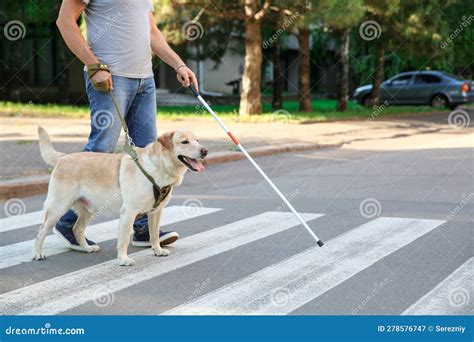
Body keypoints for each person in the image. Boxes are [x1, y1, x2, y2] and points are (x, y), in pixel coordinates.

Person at [54, 0, 198, 251]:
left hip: (145, 80)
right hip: (110, 77)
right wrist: (93, 64)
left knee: (148, 157)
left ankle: (142, 227)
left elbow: (151, 31)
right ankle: (69, 221)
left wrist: (179, 63)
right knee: (102, 147)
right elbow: (65, 21)